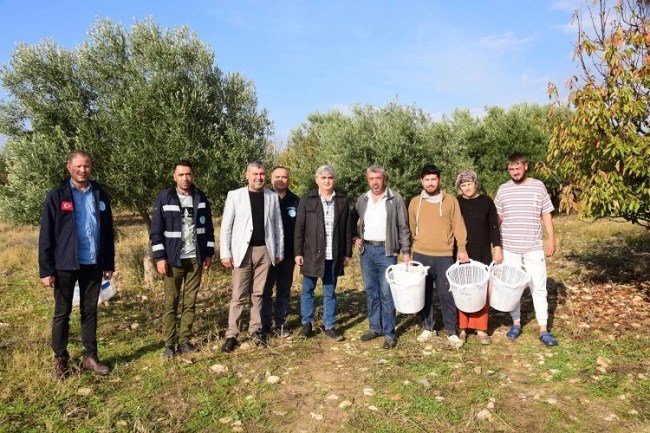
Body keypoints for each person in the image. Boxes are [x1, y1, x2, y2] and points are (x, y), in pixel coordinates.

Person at [39, 150, 115, 379]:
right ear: (69, 167)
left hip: (93, 262)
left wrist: (108, 262)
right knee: (62, 313)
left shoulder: (100, 193)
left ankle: (90, 357)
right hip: (65, 264)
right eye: (79, 166)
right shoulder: (57, 195)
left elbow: (107, 231)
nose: (83, 170)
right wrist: (46, 269)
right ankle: (60, 359)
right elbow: (46, 234)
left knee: (89, 311)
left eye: (87, 166)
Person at [150, 161, 215, 360]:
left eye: (188, 174)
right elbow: (156, 232)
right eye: (181, 175)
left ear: (192, 176)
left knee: (190, 302)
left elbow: (209, 228)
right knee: (171, 302)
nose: (185, 178)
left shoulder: (200, 197)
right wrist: (160, 257)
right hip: (173, 260)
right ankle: (169, 344)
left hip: (195, 258)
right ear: (174, 177)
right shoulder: (165, 197)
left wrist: (208, 253)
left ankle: (185, 340)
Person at [494, 152, 558, 347]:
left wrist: (551, 239)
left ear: (525, 166)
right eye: (511, 169)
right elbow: (498, 218)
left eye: (518, 167)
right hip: (509, 247)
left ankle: (543, 328)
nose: (515, 172)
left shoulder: (538, 186)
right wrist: (495, 244)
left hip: (533, 246)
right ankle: (516, 323)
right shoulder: (503, 190)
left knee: (538, 286)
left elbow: (546, 214)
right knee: (513, 287)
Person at [220, 161, 284, 353]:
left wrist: (279, 250)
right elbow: (226, 226)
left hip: (264, 251)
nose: (259, 177)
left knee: (258, 293)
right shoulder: (235, 196)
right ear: (247, 175)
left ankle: (256, 330)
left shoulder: (272, 197)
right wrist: (225, 253)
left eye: (262, 174)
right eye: (255, 174)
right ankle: (232, 334)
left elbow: (277, 226)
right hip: (242, 252)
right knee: (238, 295)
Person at [408, 164, 468, 349]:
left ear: (439, 180)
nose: (430, 183)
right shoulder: (415, 202)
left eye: (433, 179)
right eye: (427, 179)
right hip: (420, 254)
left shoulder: (450, 201)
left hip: (444, 255)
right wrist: (408, 253)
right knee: (423, 293)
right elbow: (410, 228)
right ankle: (428, 327)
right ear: (422, 181)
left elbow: (458, 225)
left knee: (447, 294)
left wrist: (462, 248)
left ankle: (451, 331)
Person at [352, 165, 411, 349]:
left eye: (378, 178)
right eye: (372, 179)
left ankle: (389, 333)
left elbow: (403, 226)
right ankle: (374, 328)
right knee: (371, 291)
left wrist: (406, 252)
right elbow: (351, 220)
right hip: (367, 251)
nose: (375, 182)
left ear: (384, 179)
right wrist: (354, 237)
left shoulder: (395, 198)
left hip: (387, 251)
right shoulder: (363, 199)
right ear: (367, 180)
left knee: (386, 293)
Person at [294, 165, 352, 341]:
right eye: (323, 178)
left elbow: (347, 229)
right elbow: (299, 228)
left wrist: (347, 253)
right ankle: (307, 324)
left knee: (330, 292)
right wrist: (298, 252)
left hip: (333, 254)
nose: (327, 181)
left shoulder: (342, 200)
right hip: (311, 254)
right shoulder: (307, 199)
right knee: (307, 290)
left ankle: (329, 326)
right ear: (317, 180)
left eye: (330, 178)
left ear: (334, 179)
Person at [455, 169, 503, 345]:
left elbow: (494, 227)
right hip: (462, 252)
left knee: (481, 289)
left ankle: (481, 328)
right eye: (463, 185)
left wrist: (497, 248)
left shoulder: (486, 202)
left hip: (482, 251)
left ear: (476, 184)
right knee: (463, 289)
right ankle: (462, 328)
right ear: (459, 187)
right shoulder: (456, 202)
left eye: (469, 184)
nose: (467, 188)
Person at [261, 166, 300, 337]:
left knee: (284, 291)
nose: (281, 180)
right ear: (271, 179)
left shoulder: (296, 201)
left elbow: (300, 230)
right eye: (277, 177)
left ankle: (281, 324)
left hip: (289, 255)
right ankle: (264, 325)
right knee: (266, 291)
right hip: (268, 253)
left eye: (284, 177)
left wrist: (299, 252)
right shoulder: (264, 199)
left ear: (288, 180)